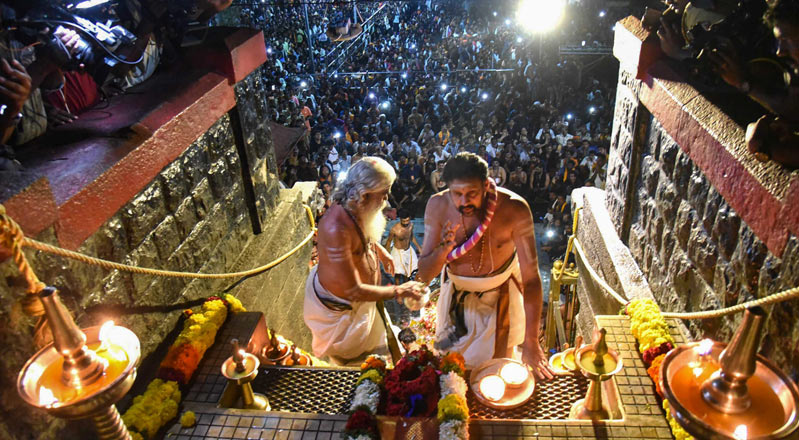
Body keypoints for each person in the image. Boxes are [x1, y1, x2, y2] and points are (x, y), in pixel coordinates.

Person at [416, 153, 554, 379]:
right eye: (457, 194)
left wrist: (531, 341)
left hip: (500, 302)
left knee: (496, 376)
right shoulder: (437, 206)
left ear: (486, 185)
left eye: (472, 194)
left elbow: (530, 279)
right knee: (452, 373)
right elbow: (424, 274)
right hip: (456, 303)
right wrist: (443, 249)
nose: (464, 202)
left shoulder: (515, 209)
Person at [304, 157, 424, 365]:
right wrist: (399, 290)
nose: (387, 198)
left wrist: (379, 250)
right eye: (383, 192)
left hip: (363, 305)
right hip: (345, 315)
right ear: (365, 194)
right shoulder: (336, 228)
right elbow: (354, 290)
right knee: (362, 371)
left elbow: (361, 236)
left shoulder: (355, 206)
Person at [385, 208, 422, 283]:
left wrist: (418, 247)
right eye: (404, 221)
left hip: (408, 251)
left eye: (407, 221)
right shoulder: (395, 229)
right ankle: (398, 292)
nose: (406, 223)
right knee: (398, 274)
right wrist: (387, 256)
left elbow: (411, 237)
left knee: (408, 274)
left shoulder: (411, 225)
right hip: (398, 252)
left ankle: (406, 289)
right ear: (400, 219)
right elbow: (388, 242)